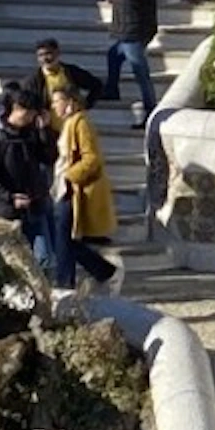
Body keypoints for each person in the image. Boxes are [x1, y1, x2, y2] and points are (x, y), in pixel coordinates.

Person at [48, 86, 119, 293]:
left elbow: (91, 158)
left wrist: (71, 176)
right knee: (64, 239)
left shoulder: (80, 123)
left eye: (57, 101)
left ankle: (65, 283)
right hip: (64, 187)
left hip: (72, 189)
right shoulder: (69, 124)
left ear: (70, 102)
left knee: (63, 238)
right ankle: (102, 270)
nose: (54, 106)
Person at [0, 89, 56, 266]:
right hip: (6, 212)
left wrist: (44, 131)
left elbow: (49, 157)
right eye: (28, 112)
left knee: (43, 258)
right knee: (8, 262)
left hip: (35, 207)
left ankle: (37, 293)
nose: (31, 117)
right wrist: (10, 197)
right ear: (16, 108)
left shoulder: (32, 132)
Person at [98, 0, 160, 128]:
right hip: (143, 28)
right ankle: (111, 89)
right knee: (113, 55)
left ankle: (150, 111)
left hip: (130, 32)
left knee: (140, 72)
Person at [24, 38, 104, 116]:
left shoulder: (71, 72)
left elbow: (97, 85)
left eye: (48, 53)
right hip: (48, 127)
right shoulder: (33, 81)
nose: (45, 58)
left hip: (72, 125)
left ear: (57, 53)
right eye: (41, 55)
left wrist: (84, 105)